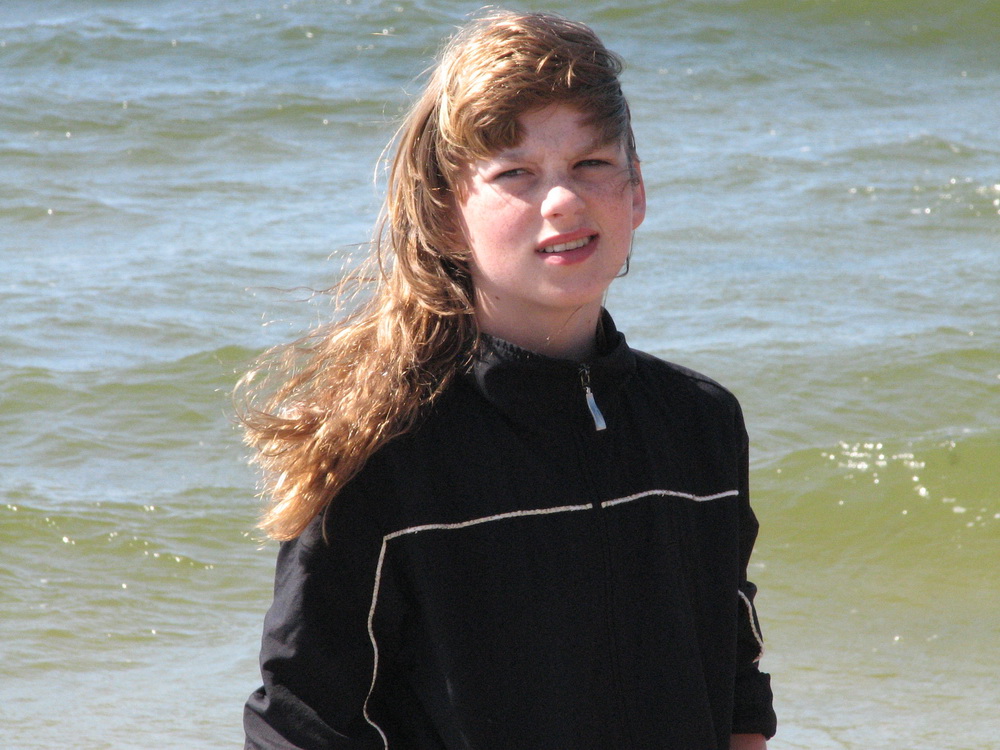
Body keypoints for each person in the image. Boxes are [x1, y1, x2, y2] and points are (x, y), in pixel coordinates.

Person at [240, 10, 776, 750]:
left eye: (592, 164)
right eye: (515, 174)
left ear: (637, 191)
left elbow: (734, 676)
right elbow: (302, 724)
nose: (563, 200)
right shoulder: (382, 450)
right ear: (446, 214)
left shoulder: (699, 423)